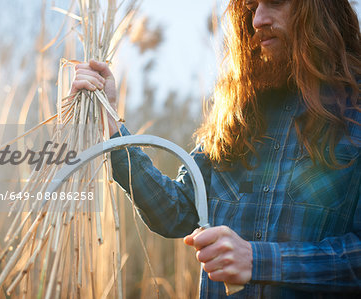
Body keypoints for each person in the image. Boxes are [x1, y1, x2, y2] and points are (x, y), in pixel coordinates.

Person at [70, 0, 361, 297]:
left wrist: (259, 261)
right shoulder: (239, 113)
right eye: (251, 7)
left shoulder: (356, 115)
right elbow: (174, 212)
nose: (258, 19)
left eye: (274, 2)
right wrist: (112, 127)